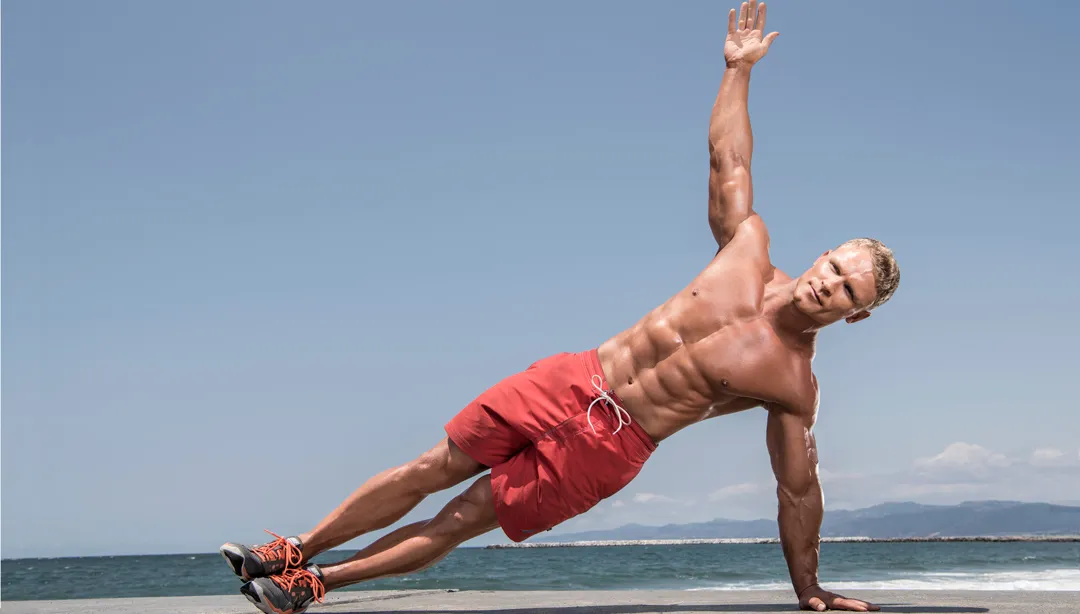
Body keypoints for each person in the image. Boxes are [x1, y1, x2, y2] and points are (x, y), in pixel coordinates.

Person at [221, 3, 896, 612]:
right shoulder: (745, 249)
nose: (826, 285)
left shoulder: (791, 384)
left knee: (461, 518)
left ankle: (317, 584)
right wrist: (738, 72)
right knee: (430, 468)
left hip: (615, 442)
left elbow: (798, 492)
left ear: (854, 315)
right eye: (833, 267)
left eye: (845, 291)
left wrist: (806, 586)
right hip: (574, 377)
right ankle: (297, 549)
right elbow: (727, 158)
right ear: (821, 254)